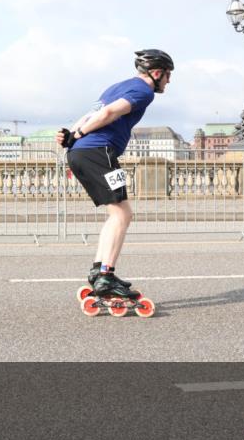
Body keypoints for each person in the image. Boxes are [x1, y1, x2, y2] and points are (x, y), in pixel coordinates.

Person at [55, 49, 174, 298]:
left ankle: (99, 271)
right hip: (99, 151)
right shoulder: (144, 91)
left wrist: (70, 135)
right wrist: (77, 135)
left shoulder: (117, 86)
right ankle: (106, 276)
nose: (168, 81)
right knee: (123, 213)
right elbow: (108, 114)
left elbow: (91, 113)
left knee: (117, 212)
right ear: (156, 73)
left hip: (81, 153)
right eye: (167, 75)